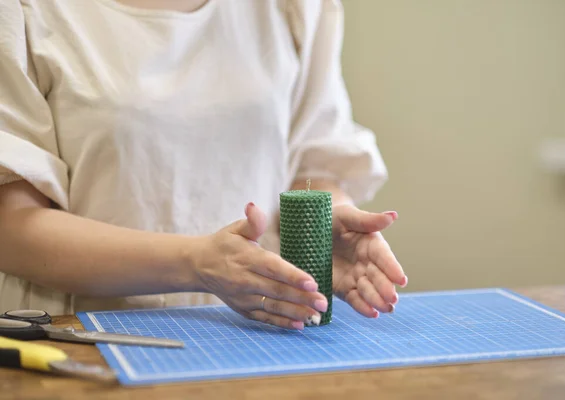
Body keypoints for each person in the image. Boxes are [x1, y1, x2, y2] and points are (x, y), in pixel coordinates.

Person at [0, 0, 407, 330]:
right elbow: (12, 228)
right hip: (80, 336)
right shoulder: (23, 12)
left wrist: (325, 223)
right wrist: (196, 262)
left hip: (260, 333)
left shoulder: (292, 8)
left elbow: (312, 167)